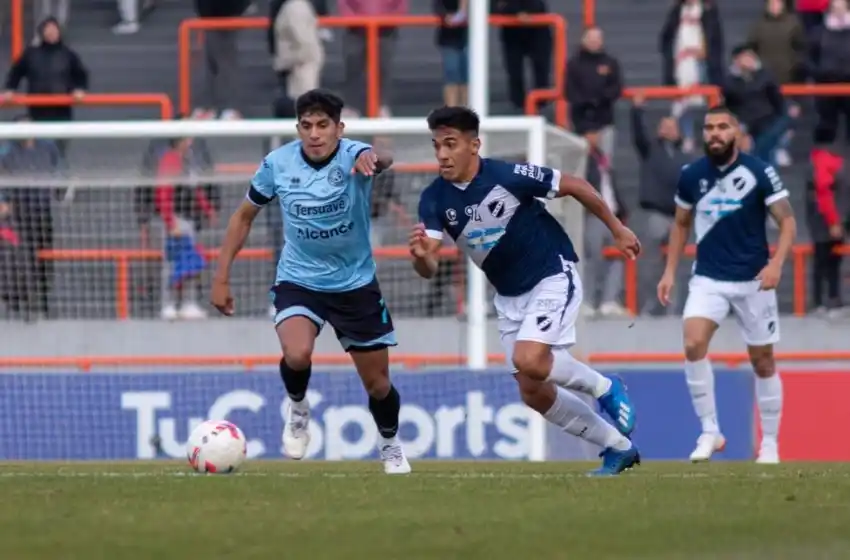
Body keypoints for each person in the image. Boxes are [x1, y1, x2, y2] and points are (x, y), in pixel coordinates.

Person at [410, 106, 641, 476]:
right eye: (437, 145)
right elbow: (429, 265)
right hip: (509, 297)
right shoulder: (434, 199)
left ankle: (605, 386)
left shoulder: (507, 176)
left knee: (529, 359)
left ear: (474, 145)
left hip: (551, 274)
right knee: (533, 391)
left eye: (450, 144)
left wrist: (617, 229)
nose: (442, 154)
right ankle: (619, 447)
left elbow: (575, 185)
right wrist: (421, 257)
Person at [210, 89, 409, 475]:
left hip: (355, 283)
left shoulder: (355, 154)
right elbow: (243, 216)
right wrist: (221, 277)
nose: (314, 133)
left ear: (339, 129)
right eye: (306, 126)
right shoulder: (278, 163)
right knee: (297, 354)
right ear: (298, 128)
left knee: (378, 384)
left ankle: (390, 444)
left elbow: (384, 157)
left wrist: (374, 157)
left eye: (323, 125)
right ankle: (299, 407)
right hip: (299, 279)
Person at [656, 106, 797, 464]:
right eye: (709, 128)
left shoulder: (759, 171)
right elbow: (681, 224)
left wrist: (776, 264)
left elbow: (788, 221)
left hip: (754, 281)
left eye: (722, 127)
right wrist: (670, 271)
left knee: (762, 361)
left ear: (736, 132)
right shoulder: (692, 175)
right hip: (709, 278)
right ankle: (710, 431)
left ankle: (770, 444)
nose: (715, 133)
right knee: (693, 342)